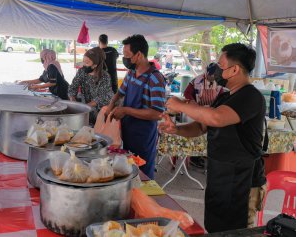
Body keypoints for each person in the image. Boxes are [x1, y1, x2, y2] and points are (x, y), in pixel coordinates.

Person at [159, 43, 266, 233]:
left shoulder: (251, 96)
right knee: (216, 227)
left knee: (236, 232)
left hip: (243, 180)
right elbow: (202, 126)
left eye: (220, 64)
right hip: (220, 176)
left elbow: (217, 118)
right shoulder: (225, 97)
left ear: (234, 70)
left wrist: (180, 105)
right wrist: (176, 129)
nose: (215, 69)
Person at [105, 34, 166, 179]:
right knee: (127, 170)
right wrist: (111, 105)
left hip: (143, 136)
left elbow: (157, 113)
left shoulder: (155, 78)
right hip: (128, 132)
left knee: (142, 174)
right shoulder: (131, 73)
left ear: (139, 55)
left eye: (127, 56)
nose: (124, 59)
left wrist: (125, 110)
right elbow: (120, 92)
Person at [184, 62, 224, 168]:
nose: (212, 77)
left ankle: (207, 155)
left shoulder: (219, 82)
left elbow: (221, 96)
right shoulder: (197, 81)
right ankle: (194, 157)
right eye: (211, 75)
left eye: (214, 75)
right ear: (206, 72)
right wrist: (192, 102)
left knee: (211, 134)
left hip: (211, 112)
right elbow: (187, 93)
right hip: (197, 111)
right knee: (197, 135)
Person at [69, 47, 114, 125]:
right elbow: (73, 87)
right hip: (88, 109)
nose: (83, 64)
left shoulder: (105, 76)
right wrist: (73, 100)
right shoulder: (82, 72)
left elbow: (102, 97)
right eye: (83, 61)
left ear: (95, 65)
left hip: (102, 111)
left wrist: (84, 107)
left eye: (87, 62)